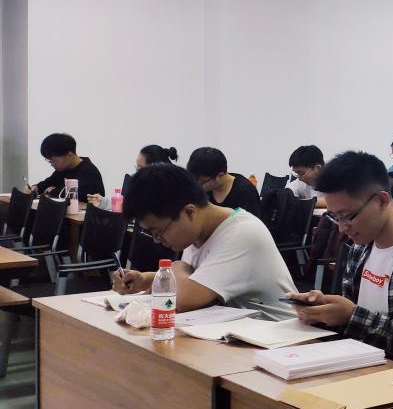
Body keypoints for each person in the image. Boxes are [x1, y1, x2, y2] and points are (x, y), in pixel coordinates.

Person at [288, 151, 393, 372]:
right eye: (335, 218)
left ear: (381, 200)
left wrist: (351, 316)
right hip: (356, 368)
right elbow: (352, 325)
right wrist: (322, 312)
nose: (342, 228)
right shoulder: (361, 248)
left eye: (348, 216)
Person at [113, 164, 295, 319]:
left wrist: (177, 265)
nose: (156, 240)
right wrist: (145, 280)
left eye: (158, 232)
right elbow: (195, 280)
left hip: (280, 339)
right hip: (235, 334)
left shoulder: (243, 233)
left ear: (190, 212)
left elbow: (184, 299)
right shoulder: (196, 232)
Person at [186, 147, 262, 218]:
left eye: (202, 182)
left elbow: (250, 225)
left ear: (220, 175)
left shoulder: (245, 192)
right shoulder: (206, 188)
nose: (198, 186)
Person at [31, 133, 105, 201]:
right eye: (49, 160)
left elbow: (73, 195)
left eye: (54, 160)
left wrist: (52, 191)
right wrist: (36, 187)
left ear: (69, 155)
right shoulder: (64, 169)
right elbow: (47, 183)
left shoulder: (89, 172)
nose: (52, 164)